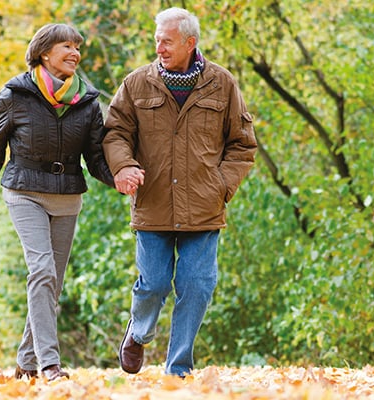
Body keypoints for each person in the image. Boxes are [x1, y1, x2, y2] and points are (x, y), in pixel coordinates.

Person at [103, 7, 258, 377]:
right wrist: (123, 166)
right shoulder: (137, 83)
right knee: (154, 283)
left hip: (203, 206)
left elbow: (242, 144)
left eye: (167, 41)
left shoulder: (222, 84)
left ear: (190, 43)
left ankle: (178, 369)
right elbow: (115, 133)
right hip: (153, 203)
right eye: (156, 40)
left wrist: (222, 186)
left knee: (197, 285)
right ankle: (138, 332)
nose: (159, 47)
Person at [0, 23, 114, 382]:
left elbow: (96, 158)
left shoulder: (88, 101)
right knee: (42, 271)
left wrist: (122, 179)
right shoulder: (16, 94)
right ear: (44, 52)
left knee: (52, 282)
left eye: (77, 47)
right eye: (66, 46)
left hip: (67, 196)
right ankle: (49, 363)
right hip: (25, 191)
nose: (75, 53)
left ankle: (25, 361)